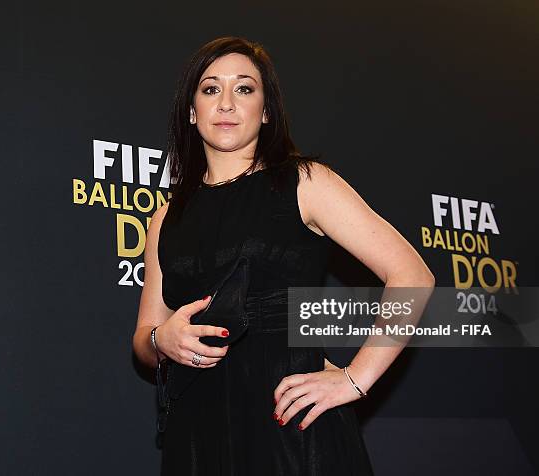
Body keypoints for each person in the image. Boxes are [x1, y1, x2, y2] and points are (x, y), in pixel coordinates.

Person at [133, 36, 435, 475]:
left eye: (245, 89)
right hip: (196, 427)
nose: (228, 103)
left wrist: (355, 378)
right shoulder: (165, 218)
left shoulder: (305, 182)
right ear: (192, 110)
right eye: (211, 88)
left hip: (291, 425)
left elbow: (412, 275)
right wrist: (161, 340)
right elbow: (144, 335)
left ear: (267, 110)